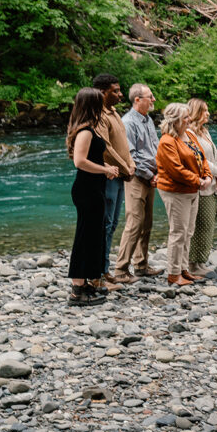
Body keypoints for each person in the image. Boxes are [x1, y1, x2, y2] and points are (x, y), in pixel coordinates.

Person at [66, 88, 119, 306]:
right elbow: (79, 162)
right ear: (92, 105)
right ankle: (77, 291)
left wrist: (105, 165)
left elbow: (91, 157)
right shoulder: (85, 131)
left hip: (93, 188)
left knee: (93, 236)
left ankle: (85, 281)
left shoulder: (90, 128)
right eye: (99, 102)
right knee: (85, 237)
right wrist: (104, 170)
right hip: (87, 189)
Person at [110, 83, 163, 283]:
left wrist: (159, 171)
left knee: (147, 223)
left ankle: (141, 265)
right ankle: (121, 270)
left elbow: (154, 148)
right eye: (150, 96)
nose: (154, 100)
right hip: (136, 178)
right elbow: (130, 156)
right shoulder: (128, 123)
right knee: (134, 224)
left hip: (151, 177)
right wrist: (150, 175)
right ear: (138, 100)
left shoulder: (147, 119)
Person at [156, 102, 213, 286]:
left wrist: (208, 176)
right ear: (175, 120)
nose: (189, 120)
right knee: (178, 232)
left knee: (188, 231)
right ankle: (173, 274)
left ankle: (184, 269)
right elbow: (176, 170)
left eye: (189, 116)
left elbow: (202, 157)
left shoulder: (189, 134)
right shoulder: (167, 141)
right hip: (175, 191)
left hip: (192, 190)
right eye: (185, 117)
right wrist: (199, 181)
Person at [92, 73, 135, 292]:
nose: (120, 95)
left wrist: (131, 163)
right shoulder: (99, 115)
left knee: (113, 224)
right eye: (115, 91)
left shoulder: (115, 113)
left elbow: (123, 145)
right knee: (105, 224)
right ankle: (99, 271)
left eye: (119, 90)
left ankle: (105, 270)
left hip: (120, 174)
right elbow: (106, 149)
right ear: (102, 93)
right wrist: (125, 167)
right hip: (109, 176)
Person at [186, 98, 217, 278]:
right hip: (201, 185)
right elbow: (199, 159)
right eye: (204, 111)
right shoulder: (188, 134)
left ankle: (201, 260)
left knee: (209, 222)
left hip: (212, 183)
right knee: (201, 224)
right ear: (195, 113)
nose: (208, 114)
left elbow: (215, 155)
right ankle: (193, 263)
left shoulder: (204, 132)